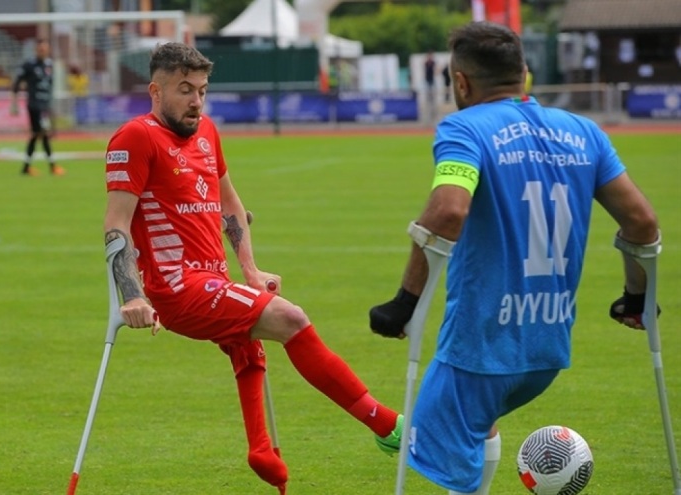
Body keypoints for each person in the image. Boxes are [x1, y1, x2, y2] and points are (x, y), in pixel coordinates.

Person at [368, 21, 660, 495]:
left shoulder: (464, 129)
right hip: (546, 351)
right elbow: (642, 223)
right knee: (480, 424)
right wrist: (636, 296)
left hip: (479, 346)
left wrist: (405, 301)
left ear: (460, 82)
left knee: (448, 462)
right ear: (524, 73)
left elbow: (448, 210)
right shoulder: (583, 132)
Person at [103, 42, 403, 494]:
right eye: (185, 90)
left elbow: (229, 204)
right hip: (177, 288)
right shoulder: (135, 137)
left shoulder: (206, 133)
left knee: (248, 341)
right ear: (155, 90)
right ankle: (387, 426)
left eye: (202, 90)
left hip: (212, 278)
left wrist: (251, 269)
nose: (196, 101)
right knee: (290, 318)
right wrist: (133, 295)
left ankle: (260, 447)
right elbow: (116, 226)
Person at [11, 39, 64, 176]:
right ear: (36, 50)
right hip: (35, 105)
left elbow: (50, 86)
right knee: (44, 133)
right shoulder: (29, 65)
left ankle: (26, 167)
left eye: (45, 49)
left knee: (36, 135)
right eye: (40, 49)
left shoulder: (50, 65)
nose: (42, 51)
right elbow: (17, 84)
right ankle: (52, 166)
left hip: (45, 105)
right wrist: (14, 104)